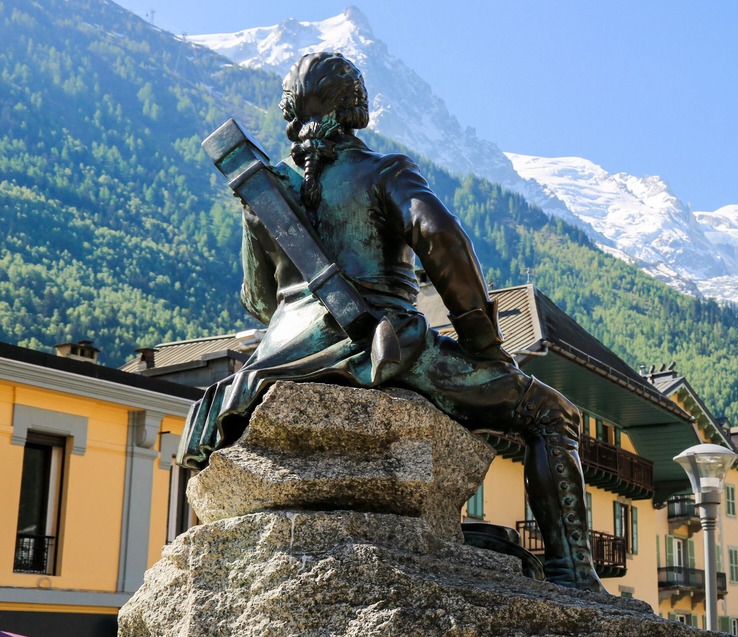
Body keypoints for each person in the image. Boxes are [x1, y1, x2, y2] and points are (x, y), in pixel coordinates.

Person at [180, 52, 604, 593]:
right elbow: (442, 237)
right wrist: (484, 343)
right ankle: (576, 578)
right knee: (550, 414)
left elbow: (262, 302)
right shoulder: (385, 172)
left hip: (281, 356)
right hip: (380, 345)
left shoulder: (263, 190)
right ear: (355, 110)